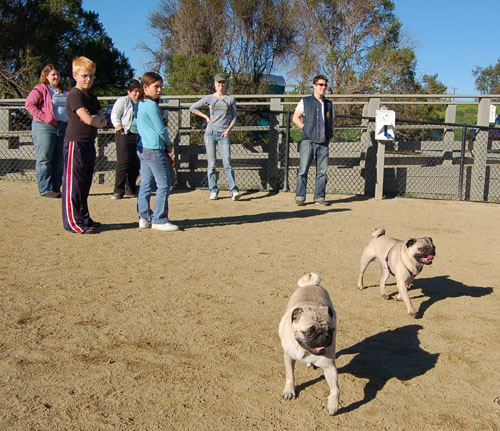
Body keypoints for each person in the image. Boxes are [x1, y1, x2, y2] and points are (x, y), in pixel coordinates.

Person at [62, 56, 107, 234]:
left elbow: (103, 120)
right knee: (74, 183)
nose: (88, 80)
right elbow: (88, 119)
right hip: (75, 143)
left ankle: (84, 217)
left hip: (89, 143)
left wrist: (96, 119)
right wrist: (95, 119)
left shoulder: (91, 96)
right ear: (75, 75)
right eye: (85, 76)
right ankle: (73, 222)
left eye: (91, 76)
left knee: (85, 183)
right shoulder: (74, 95)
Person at [136, 72, 179, 232]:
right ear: (145, 87)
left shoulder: (140, 103)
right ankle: (159, 219)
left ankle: (144, 217)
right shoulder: (152, 105)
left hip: (143, 147)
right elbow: (161, 129)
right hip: (153, 148)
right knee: (164, 183)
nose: (159, 90)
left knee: (146, 184)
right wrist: (168, 144)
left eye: (161, 87)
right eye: (156, 87)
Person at [189, 73, 241, 201]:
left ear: (225, 84)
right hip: (210, 133)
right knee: (211, 163)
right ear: (215, 84)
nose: (220, 85)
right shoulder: (209, 98)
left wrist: (229, 129)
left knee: (227, 163)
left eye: (222, 83)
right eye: (218, 83)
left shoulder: (230, 99)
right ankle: (213, 190)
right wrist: (206, 117)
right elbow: (193, 108)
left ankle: (233, 190)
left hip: (224, 134)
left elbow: (234, 117)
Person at [25, 64, 68, 198]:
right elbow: (29, 104)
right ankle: (45, 188)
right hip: (44, 127)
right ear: (46, 76)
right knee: (45, 158)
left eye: (57, 74)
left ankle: (56, 188)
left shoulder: (65, 91)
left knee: (60, 159)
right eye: (53, 75)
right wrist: (45, 118)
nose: (56, 77)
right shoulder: (41, 89)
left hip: (63, 127)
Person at [292, 75, 334, 206]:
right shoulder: (305, 101)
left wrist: (329, 133)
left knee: (322, 172)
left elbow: (331, 121)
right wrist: (304, 127)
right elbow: (295, 117)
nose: (323, 87)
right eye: (320, 85)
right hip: (308, 141)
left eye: (325, 85)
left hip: (324, 142)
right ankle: (300, 196)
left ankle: (319, 197)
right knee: (303, 170)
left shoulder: (329, 104)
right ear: (314, 86)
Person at [110, 79, 141, 199]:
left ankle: (131, 187)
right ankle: (118, 189)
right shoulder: (123, 101)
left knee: (136, 163)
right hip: (125, 134)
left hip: (139, 135)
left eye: (139, 92)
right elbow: (114, 115)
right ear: (129, 91)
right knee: (123, 162)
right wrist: (119, 127)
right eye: (134, 92)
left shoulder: (142, 102)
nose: (137, 94)